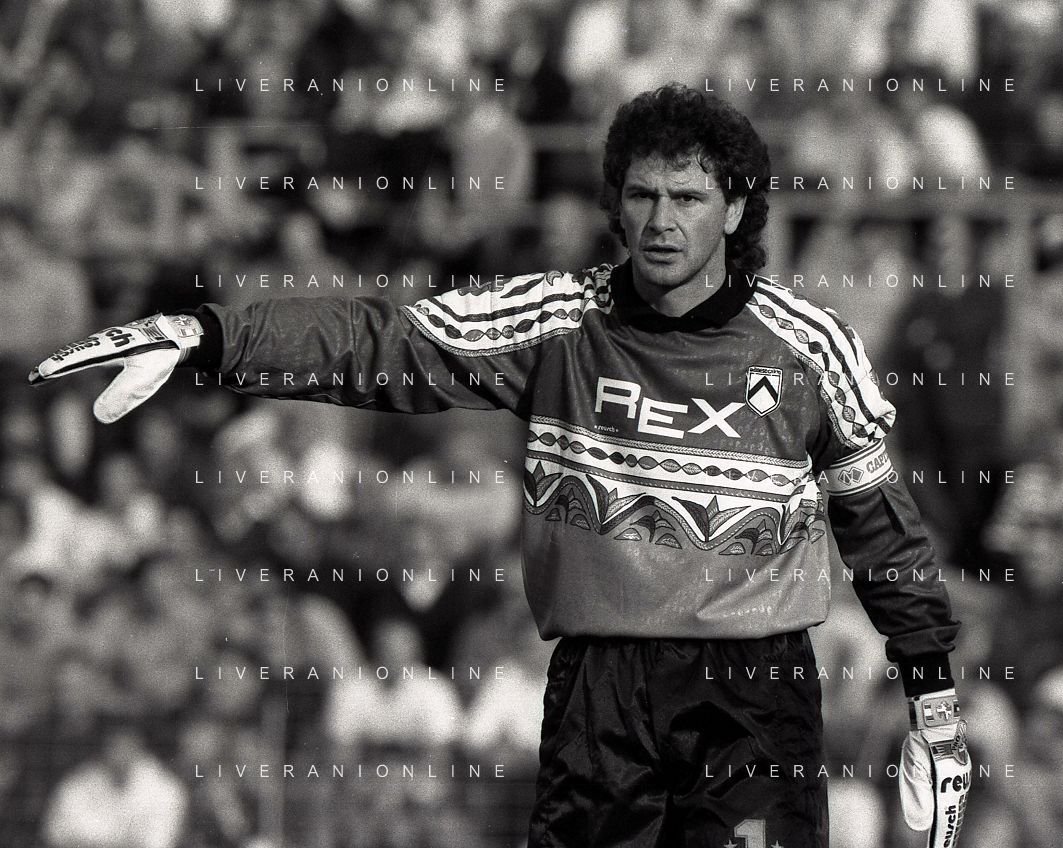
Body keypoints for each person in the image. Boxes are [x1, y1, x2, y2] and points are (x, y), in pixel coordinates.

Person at [30, 83, 969, 848]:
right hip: (600, 688)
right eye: (641, 195)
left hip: (754, 692)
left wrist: (932, 701)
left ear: (733, 208)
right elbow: (379, 343)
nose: (660, 220)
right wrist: (209, 336)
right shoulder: (558, 320)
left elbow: (879, 529)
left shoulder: (809, 345)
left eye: (687, 198)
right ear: (615, 205)